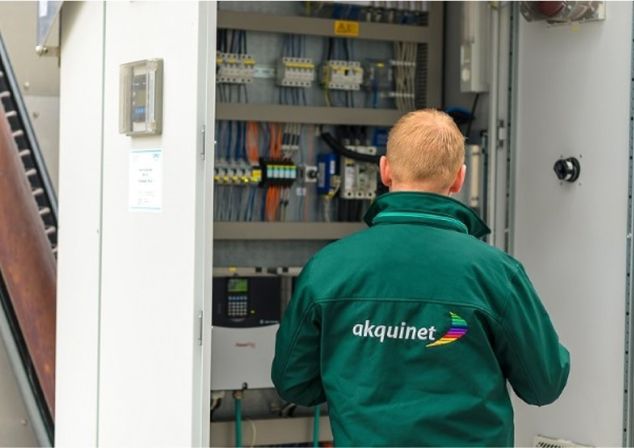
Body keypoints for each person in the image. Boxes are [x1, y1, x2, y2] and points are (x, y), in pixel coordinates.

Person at [271, 109, 570, 447]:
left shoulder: (327, 269)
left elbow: (294, 383)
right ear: (459, 178)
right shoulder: (497, 274)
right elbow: (544, 384)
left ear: (385, 170)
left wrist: (357, 372)